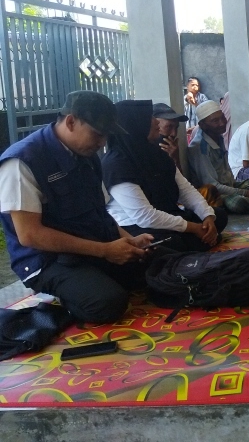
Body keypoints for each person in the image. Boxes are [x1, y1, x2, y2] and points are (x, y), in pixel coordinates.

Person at [0, 91, 155, 323]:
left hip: (91, 247)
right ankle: (66, 300)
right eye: (98, 134)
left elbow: (99, 212)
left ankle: (95, 280)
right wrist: (104, 251)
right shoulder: (22, 161)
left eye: (106, 136)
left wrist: (128, 240)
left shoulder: (87, 155)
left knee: (155, 262)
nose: (102, 143)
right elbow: (30, 235)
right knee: (108, 304)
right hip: (48, 261)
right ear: (71, 121)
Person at [102, 100, 227, 254]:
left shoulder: (157, 154)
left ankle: (199, 240)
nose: (156, 122)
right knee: (167, 243)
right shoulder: (116, 163)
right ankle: (199, 241)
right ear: (135, 124)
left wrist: (207, 217)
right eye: (150, 118)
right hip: (136, 226)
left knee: (218, 216)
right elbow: (144, 216)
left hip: (167, 215)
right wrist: (193, 228)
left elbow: (186, 191)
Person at [188, 101, 249, 214]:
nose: (222, 123)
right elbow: (213, 186)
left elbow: (228, 174)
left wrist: (242, 190)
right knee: (239, 203)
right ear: (203, 125)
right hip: (216, 193)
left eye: (222, 117)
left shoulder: (218, 137)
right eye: (215, 121)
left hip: (231, 185)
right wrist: (247, 193)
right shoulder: (199, 148)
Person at [152, 102, 187, 169]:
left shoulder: (170, 152)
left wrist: (175, 159)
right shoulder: (143, 153)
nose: (174, 134)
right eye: (169, 127)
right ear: (154, 125)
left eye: (176, 128)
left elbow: (179, 176)